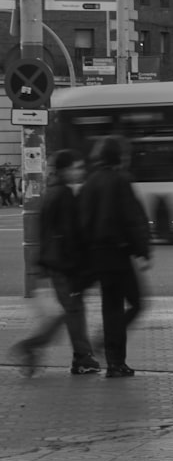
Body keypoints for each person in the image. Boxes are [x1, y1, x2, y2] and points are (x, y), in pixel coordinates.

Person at [10, 150, 100, 377]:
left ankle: (81, 356)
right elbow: (69, 235)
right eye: (76, 167)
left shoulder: (51, 192)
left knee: (70, 311)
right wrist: (80, 265)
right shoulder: (64, 195)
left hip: (56, 263)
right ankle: (43, 349)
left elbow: (45, 231)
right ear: (65, 169)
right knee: (71, 311)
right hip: (65, 265)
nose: (80, 171)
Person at [78, 136, 152, 378]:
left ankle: (114, 362)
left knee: (110, 307)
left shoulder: (90, 182)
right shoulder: (121, 180)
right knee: (136, 303)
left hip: (98, 255)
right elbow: (132, 218)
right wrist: (143, 250)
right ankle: (113, 355)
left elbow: (83, 222)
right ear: (120, 156)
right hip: (118, 254)